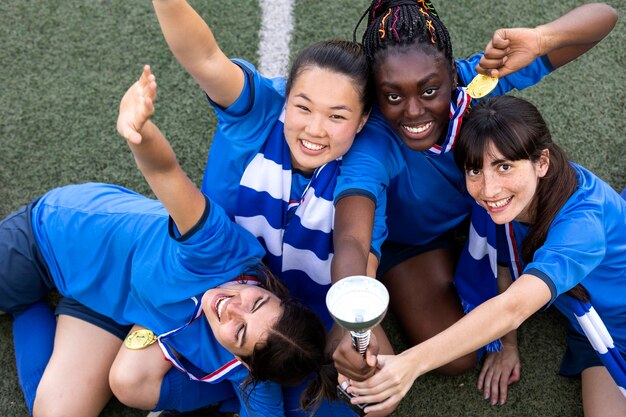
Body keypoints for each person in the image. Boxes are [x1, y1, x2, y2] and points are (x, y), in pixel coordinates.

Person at [0, 66, 331, 417]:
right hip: (53, 237)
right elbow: (165, 172)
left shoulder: (250, 366)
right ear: (275, 293)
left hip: (107, 306)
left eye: (241, 331)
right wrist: (139, 131)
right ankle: (23, 297)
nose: (233, 308)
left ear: (243, 364)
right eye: (257, 303)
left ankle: (24, 303)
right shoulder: (217, 250)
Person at [331, 0, 618, 396]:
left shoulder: (475, 86)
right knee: (458, 358)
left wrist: (540, 39)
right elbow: (351, 238)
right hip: (417, 241)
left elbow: (605, 17)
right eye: (392, 96)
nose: (414, 111)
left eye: (430, 90)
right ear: (375, 94)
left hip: (486, 212)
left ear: (452, 74)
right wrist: (350, 320)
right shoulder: (375, 142)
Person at [149, 1, 391, 415]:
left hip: (292, 321)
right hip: (218, 295)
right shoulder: (258, 112)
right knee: (131, 377)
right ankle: (237, 383)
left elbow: (360, 262)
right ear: (285, 95)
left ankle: (240, 381)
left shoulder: (363, 168)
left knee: (377, 403)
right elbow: (204, 57)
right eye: (303, 106)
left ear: (363, 119)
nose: (315, 129)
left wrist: (351, 335)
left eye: (337, 115)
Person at [341, 95, 626, 417]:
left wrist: (410, 363)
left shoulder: (582, 224)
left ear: (542, 162)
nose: (489, 190)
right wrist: (508, 344)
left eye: (505, 166)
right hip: (592, 329)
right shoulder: (514, 205)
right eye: (475, 170)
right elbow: (504, 264)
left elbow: (515, 305)